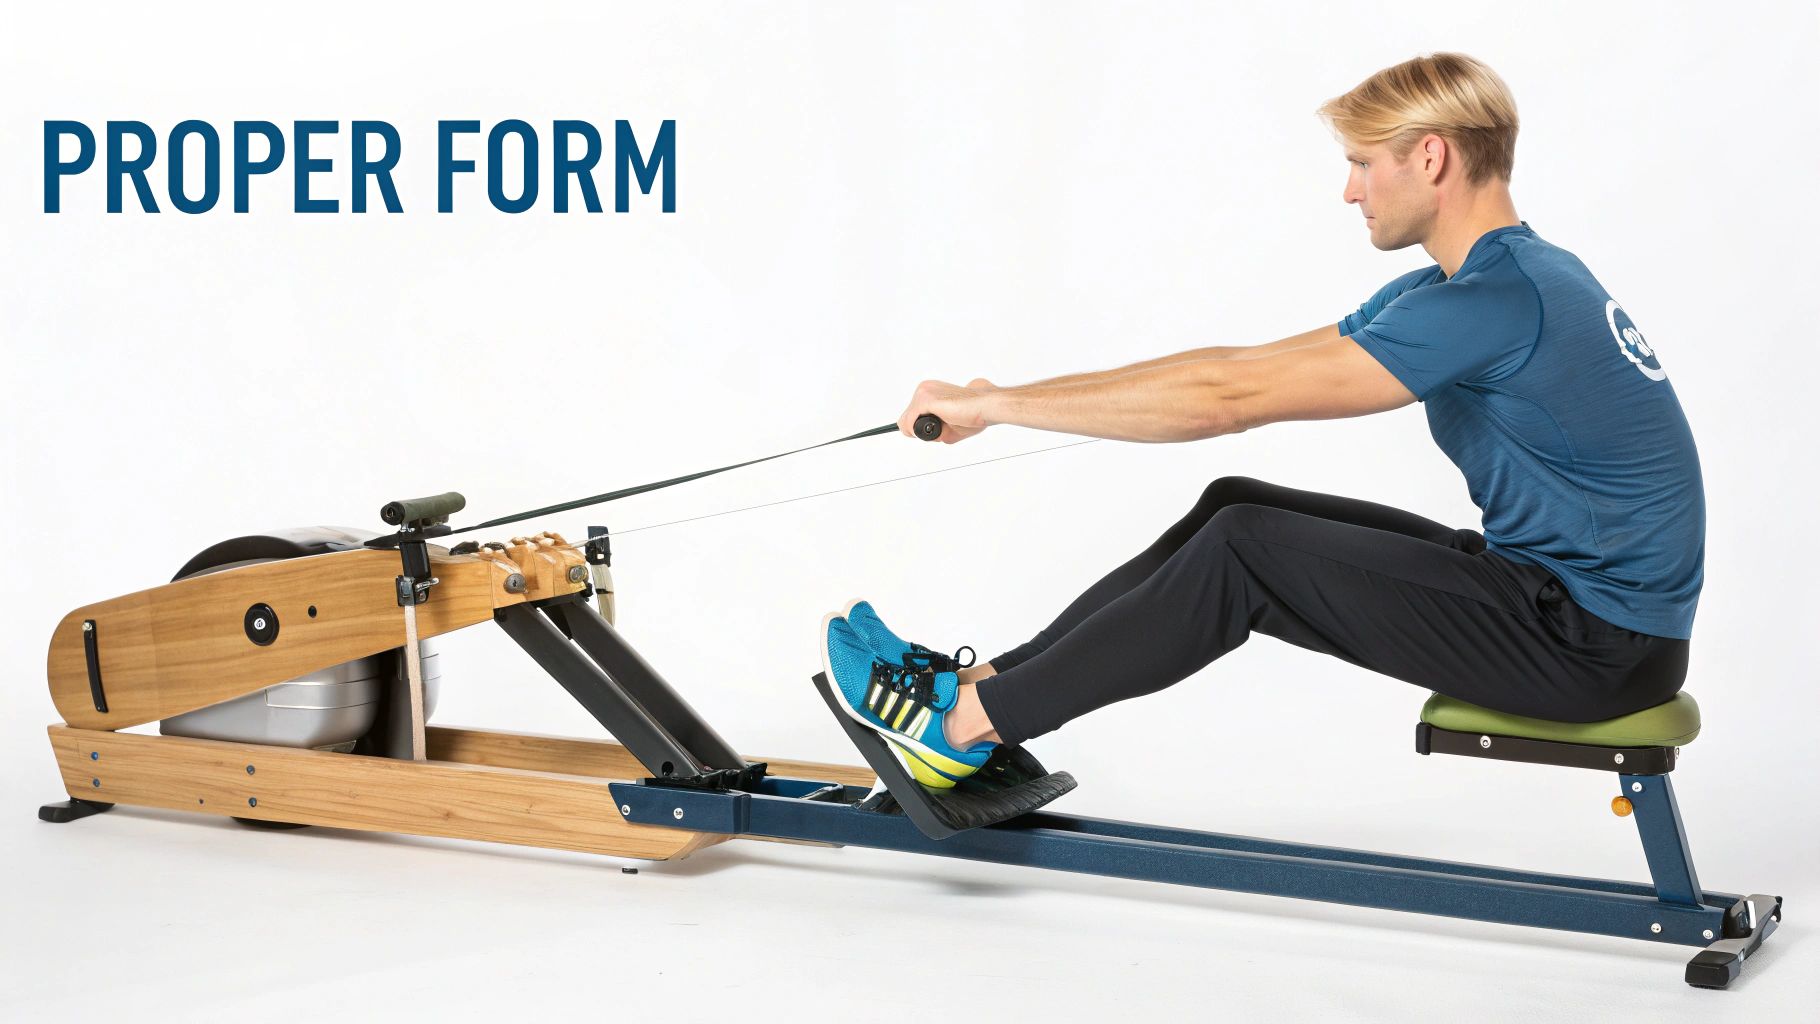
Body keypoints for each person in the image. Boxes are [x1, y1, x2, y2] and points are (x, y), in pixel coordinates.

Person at [819, 52, 1703, 790]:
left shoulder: (1488, 301)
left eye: (1364, 161)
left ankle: (962, 732)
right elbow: (1234, 370)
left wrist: (999, 410)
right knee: (1232, 503)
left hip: (1591, 644)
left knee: (1247, 549)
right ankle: (978, 684)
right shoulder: (1491, 281)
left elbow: (1226, 404)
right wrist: (1000, 396)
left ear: (1430, 158)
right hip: (1560, 602)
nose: (1350, 190)